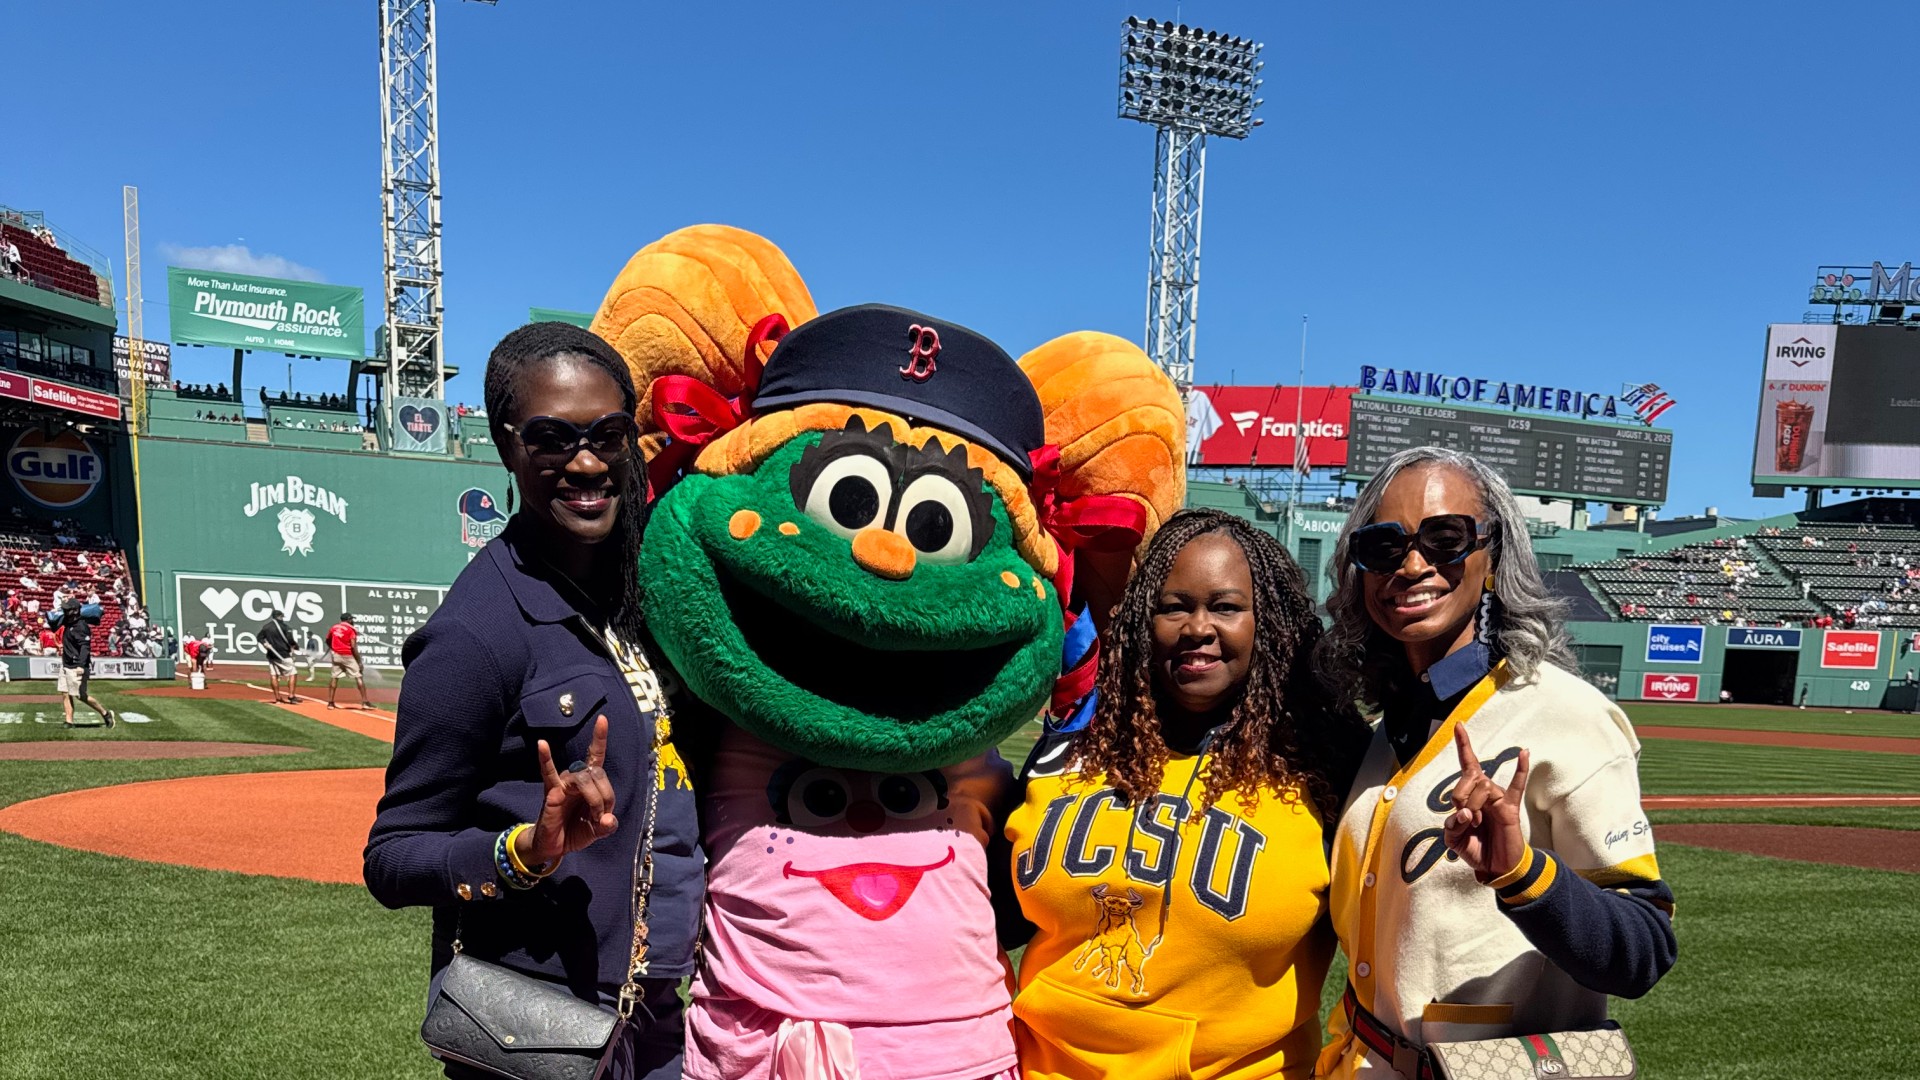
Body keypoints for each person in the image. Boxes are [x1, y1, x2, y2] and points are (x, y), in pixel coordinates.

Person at [364, 322, 699, 1079]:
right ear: (508, 445)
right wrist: (523, 851)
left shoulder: (650, 589)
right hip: (538, 1031)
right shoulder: (474, 632)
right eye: (553, 439)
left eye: (608, 435)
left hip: (660, 1020)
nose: (586, 462)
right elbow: (390, 859)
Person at [1315, 446, 1676, 1078]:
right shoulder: (1382, 733)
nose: (1412, 564)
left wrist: (1523, 874)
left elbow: (1643, 951)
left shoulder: (1567, 715)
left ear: (1495, 554)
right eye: (1382, 547)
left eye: (1445, 538)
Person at [1006, 509, 1371, 1080]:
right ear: (1141, 623)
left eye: (1225, 607)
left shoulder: (1326, 774)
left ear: (1267, 624)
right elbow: (988, 922)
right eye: (1174, 606)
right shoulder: (1071, 752)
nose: (1197, 627)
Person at [48, 598, 114, 729]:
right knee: (65, 692)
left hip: (76, 665)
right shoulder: (68, 621)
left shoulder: (81, 627)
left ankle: (105, 714)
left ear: (75, 611)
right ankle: (69, 721)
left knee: (80, 695)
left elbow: (85, 647)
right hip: (66, 663)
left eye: (68, 609)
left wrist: (81, 666)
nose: (65, 611)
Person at [325, 613, 368, 709]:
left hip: (336, 655)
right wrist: (359, 662)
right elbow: (353, 646)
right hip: (348, 655)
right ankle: (365, 702)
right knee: (358, 676)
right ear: (348, 619)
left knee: (334, 677)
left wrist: (333, 648)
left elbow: (327, 640)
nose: (353, 621)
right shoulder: (351, 629)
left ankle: (330, 702)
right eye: (351, 619)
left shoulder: (334, 627)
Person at [258, 608, 301, 704]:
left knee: (274, 675)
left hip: (271, 654)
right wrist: (296, 646)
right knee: (292, 673)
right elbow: (290, 640)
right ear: (280, 617)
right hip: (283, 654)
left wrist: (265, 644)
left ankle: (277, 697)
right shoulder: (285, 627)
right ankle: (291, 695)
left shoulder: (266, 627)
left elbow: (259, 637)